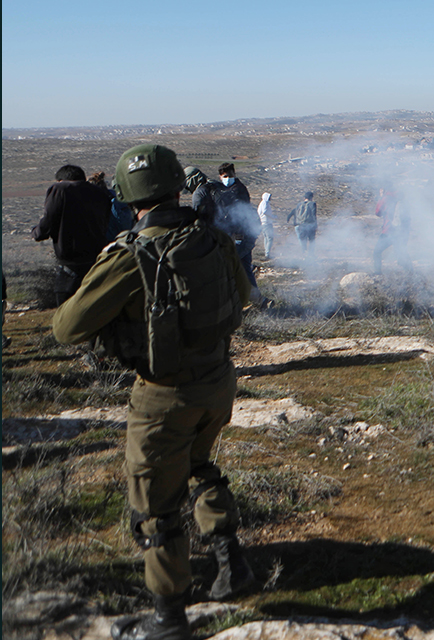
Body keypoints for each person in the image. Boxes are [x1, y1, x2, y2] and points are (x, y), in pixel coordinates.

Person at [52, 145, 256, 640]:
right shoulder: (212, 238)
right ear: (174, 185)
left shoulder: (130, 255)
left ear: (128, 194)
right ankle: (233, 565)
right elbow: (244, 296)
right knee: (201, 466)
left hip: (164, 396)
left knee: (155, 507)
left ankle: (169, 619)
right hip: (218, 382)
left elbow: (66, 327)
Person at [32, 164, 112, 304]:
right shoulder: (100, 193)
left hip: (70, 265)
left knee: (65, 313)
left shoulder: (60, 190)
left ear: (61, 180)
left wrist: (36, 232)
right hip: (96, 262)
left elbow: (48, 222)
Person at [372, 189, 410, 275]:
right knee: (402, 253)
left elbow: (378, 213)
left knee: (376, 252)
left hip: (388, 231)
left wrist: (381, 197)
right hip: (401, 232)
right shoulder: (401, 198)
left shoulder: (385, 198)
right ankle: (411, 273)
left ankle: (377, 273)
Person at [287, 192, 318, 258]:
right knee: (311, 240)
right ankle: (311, 255)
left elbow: (294, 212)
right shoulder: (312, 204)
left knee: (303, 240)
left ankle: (304, 254)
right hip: (310, 224)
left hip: (300, 225)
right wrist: (315, 224)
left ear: (304, 197)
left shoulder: (299, 204)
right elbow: (313, 214)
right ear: (311, 197)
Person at [256, 193, 276, 260]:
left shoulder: (261, 203)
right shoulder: (265, 203)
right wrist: (272, 217)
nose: (270, 198)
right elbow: (265, 211)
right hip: (267, 223)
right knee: (270, 238)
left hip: (263, 223)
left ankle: (266, 253)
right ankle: (267, 254)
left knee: (266, 238)